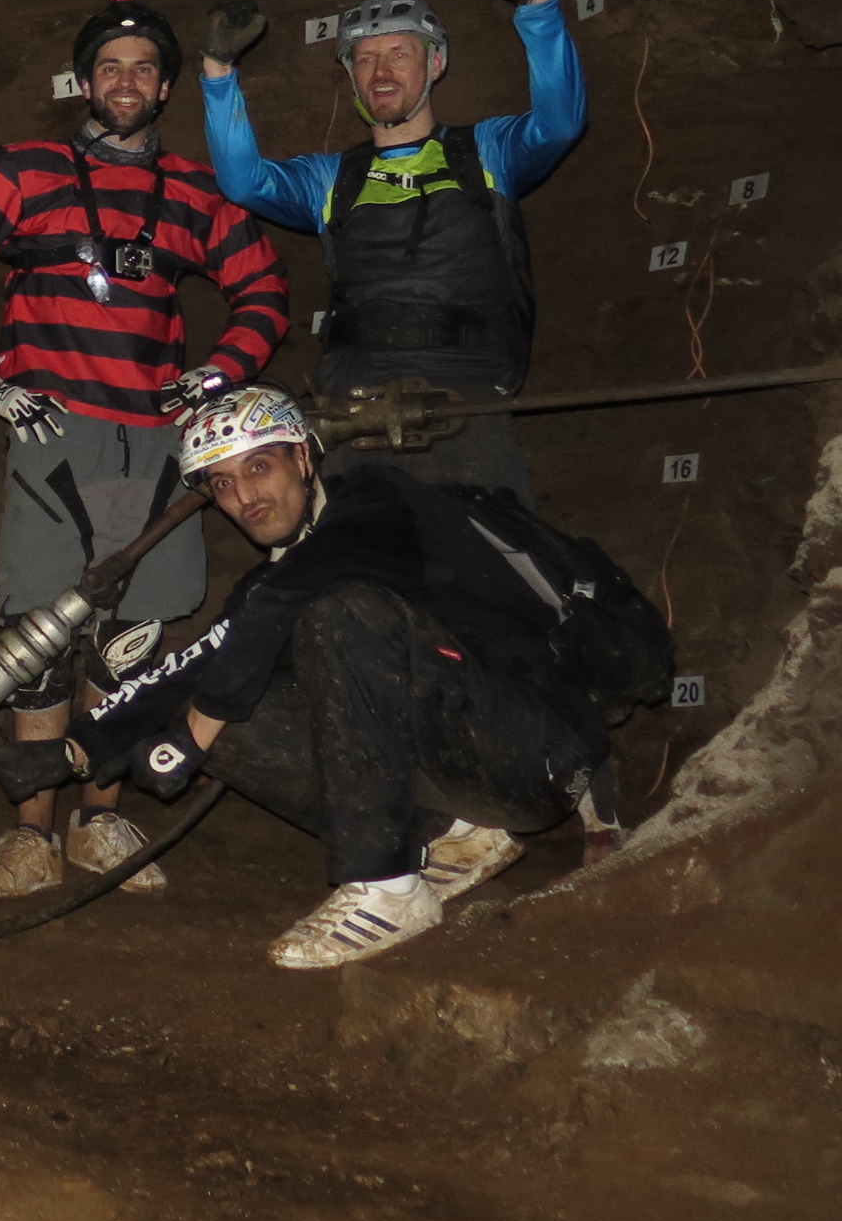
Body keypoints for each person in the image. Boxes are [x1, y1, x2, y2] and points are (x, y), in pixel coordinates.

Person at [0, 0, 291, 901]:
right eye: (109, 67)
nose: (126, 82)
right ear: (84, 81)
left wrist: (219, 374)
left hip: (153, 441)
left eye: (144, 69)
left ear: (165, 88)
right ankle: (30, 834)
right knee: (41, 632)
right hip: (57, 434)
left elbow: (265, 289)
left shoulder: (192, 191)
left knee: (133, 637)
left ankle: (101, 818)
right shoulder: (24, 170)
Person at [61, 385, 659, 968]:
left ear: (302, 456)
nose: (246, 497)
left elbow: (285, 601)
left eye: (259, 467)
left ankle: (386, 887)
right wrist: (78, 746)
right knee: (234, 691)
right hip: (472, 768)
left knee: (337, 615)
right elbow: (199, 661)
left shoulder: (378, 505)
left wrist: (192, 735)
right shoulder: (275, 577)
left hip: (540, 749)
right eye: (224, 484)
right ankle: (451, 832)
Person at [195, 0, 584, 503]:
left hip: (468, 406)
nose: (381, 71)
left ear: (435, 64)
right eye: (365, 59)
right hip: (356, 413)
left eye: (399, 53)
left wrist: (536, 5)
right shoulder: (332, 178)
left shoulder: (486, 153)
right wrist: (218, 69)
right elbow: (244, 182)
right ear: (351, 77)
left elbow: (559, 122)